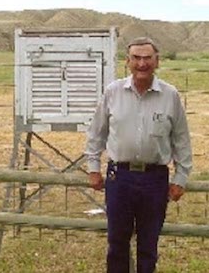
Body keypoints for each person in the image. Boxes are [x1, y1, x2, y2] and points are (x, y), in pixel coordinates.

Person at [85, 37, 192, 273]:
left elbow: (182, 140)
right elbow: (96, 133)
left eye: (147, 58)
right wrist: (93, 168)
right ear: (128, 61)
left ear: (157, 62)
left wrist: (181, 178)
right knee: (117, 243)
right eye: (136, 58)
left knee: (148, 245)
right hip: (119, 178)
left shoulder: (170, 95)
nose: (142, 63)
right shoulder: (113, 92)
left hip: (154, 179)